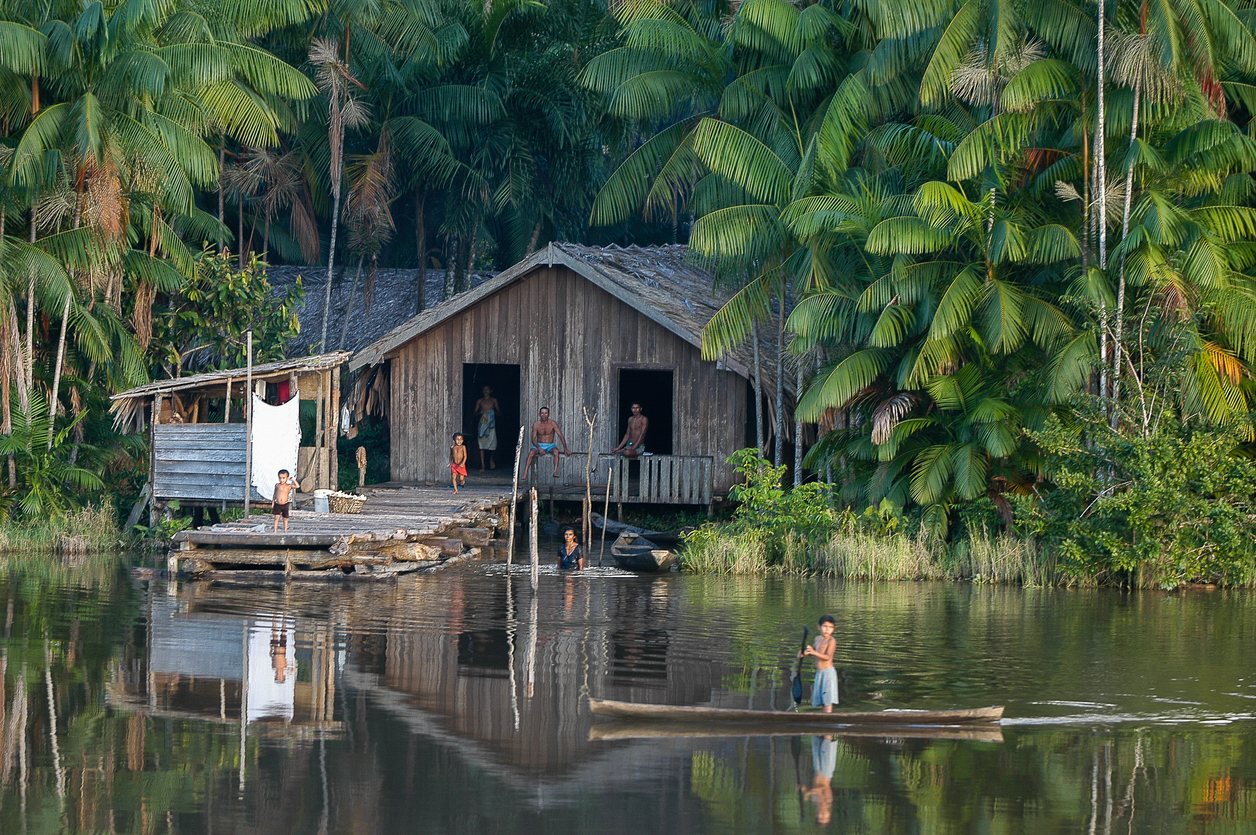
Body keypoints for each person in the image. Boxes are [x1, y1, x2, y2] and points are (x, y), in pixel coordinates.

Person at [800, 614, 838, 712]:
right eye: (825, 626)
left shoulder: (831, 641)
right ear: (819, 627)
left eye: (830, 627)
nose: (827, 629)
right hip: (819, 673)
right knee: (821, 700)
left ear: (833, 629)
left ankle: (827, 720)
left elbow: (827, 657)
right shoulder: (817, 639)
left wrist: (814, 652)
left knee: (827, 701)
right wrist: (803, 653)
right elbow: (812, 651)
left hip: (828, 673)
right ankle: (824, 718)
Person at [521, 406, 571, 478]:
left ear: (548, 414)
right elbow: (533, 439)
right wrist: (539, 448)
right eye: (542, 413)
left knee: (556, 451)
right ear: (539, 414)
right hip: (539, 444)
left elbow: (560, 435)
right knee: (531, 453)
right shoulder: (536, 424)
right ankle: (525, 473)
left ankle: (555, 471)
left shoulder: (552, 423)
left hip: (550, 445)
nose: (544, 415)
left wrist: (565, 448)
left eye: (545, 413)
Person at [800, 735, 836, 825]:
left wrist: (804, 788)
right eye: (825, 817)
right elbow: (823, 788)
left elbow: (813, 787)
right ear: (829, 814)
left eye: (821, 817)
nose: (823, 815)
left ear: (816, 815)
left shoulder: (814, 800)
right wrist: (809, 792)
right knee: (827, 740)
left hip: (818, 770)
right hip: (826, 771)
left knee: (816, 738)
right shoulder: (828, 800)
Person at [474, 385, 500, 471]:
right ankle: (483, 465)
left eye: (487, 390)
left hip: (491, 425)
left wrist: (492, 413)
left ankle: (491, 459)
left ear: (490, 391)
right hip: (483, 423)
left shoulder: (493, 400)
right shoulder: (480, 401)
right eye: (484, 389)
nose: (486, 391)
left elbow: (499, 413)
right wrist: (481, 412)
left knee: (493, 444)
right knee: (481, 444)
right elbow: (474, 414)